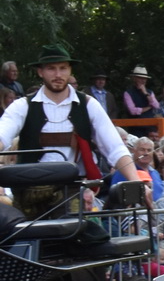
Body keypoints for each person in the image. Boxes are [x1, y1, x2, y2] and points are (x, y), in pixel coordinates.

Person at [0, 44, 150, 215]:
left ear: (70, 70)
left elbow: (115, 148)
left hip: (69, 191)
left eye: (63, 68)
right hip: (29, 194)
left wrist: (136, 182)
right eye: (51, 68)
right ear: (40, 72)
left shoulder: (88, 105)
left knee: (82, 236)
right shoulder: (22, 106)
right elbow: (2, 135)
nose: (58, 74)